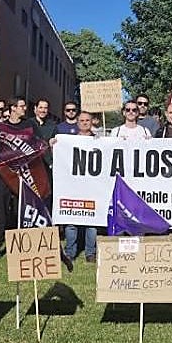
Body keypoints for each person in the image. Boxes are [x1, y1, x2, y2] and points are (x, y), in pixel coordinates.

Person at [0, 96, 36, 258]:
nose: (24, 108)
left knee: (19, 211)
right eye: (22, 106)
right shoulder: (1, 127)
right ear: (13, 108)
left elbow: (38, 145)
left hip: (22, 175)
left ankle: (19, 246)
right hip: (3, 175)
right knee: (0, 212)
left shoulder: (29, 125)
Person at [63, 110, 99, 261]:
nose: (84, 123)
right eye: (82, 120)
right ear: (77, 123)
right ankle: (70, 252)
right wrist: (54, 144)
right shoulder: (69, 141)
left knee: (92, 220)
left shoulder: (99, 140)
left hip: (93, 186)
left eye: (87, 120)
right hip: (73, 186)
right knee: (71, 219)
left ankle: (90, 252)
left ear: (92, 122)